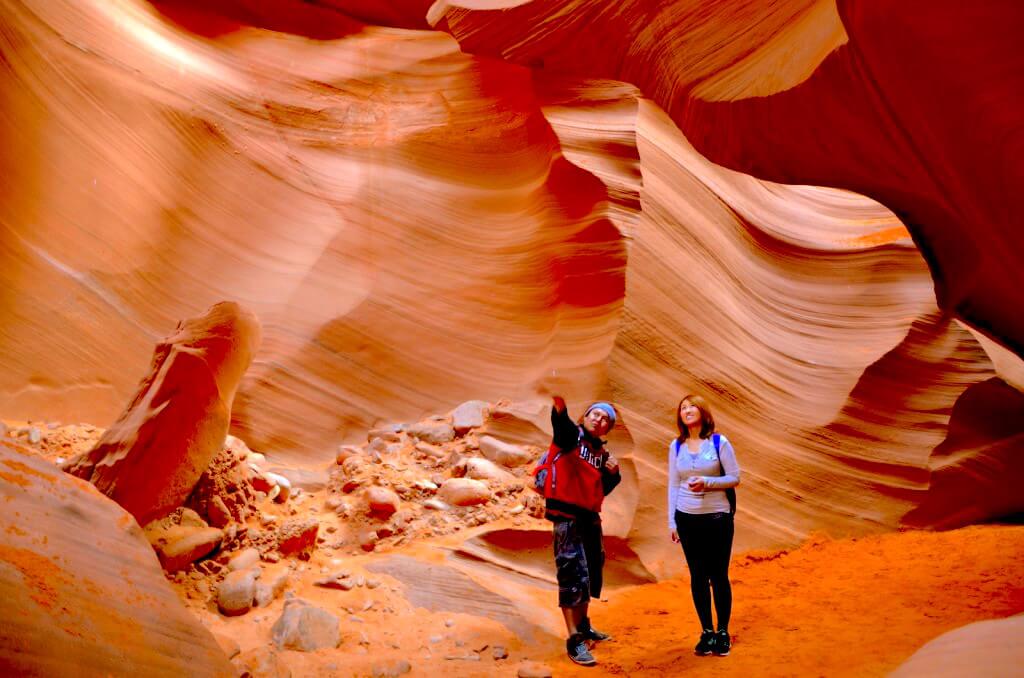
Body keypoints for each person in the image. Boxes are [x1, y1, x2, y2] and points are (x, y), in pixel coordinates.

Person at [535, 395, 622, 666]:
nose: (599, 419)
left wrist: (613, 474)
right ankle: (574, 639)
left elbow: (600, 491)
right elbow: (562, 424)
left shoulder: (600, 453)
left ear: (608, 429)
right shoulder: (571, 438)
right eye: (595, 414)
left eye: (605, 418)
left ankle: (584, 626)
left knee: (591, 571)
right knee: (571, 572)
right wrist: (560, 407)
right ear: (584, 418)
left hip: (589, 517)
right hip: (566, 516)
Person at [668, 394, 740, 657]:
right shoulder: (676, 446)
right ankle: (706, 632)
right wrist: (671, 521)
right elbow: (674, 484)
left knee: (718, 574)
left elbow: (735, 477)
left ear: (703, 412)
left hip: (717, 517)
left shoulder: (719, 442)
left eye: (692, 406)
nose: (687, 410)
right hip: (687, 518)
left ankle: (722, 631)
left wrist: (708, 482)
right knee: (698, 575)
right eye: (683, 407)